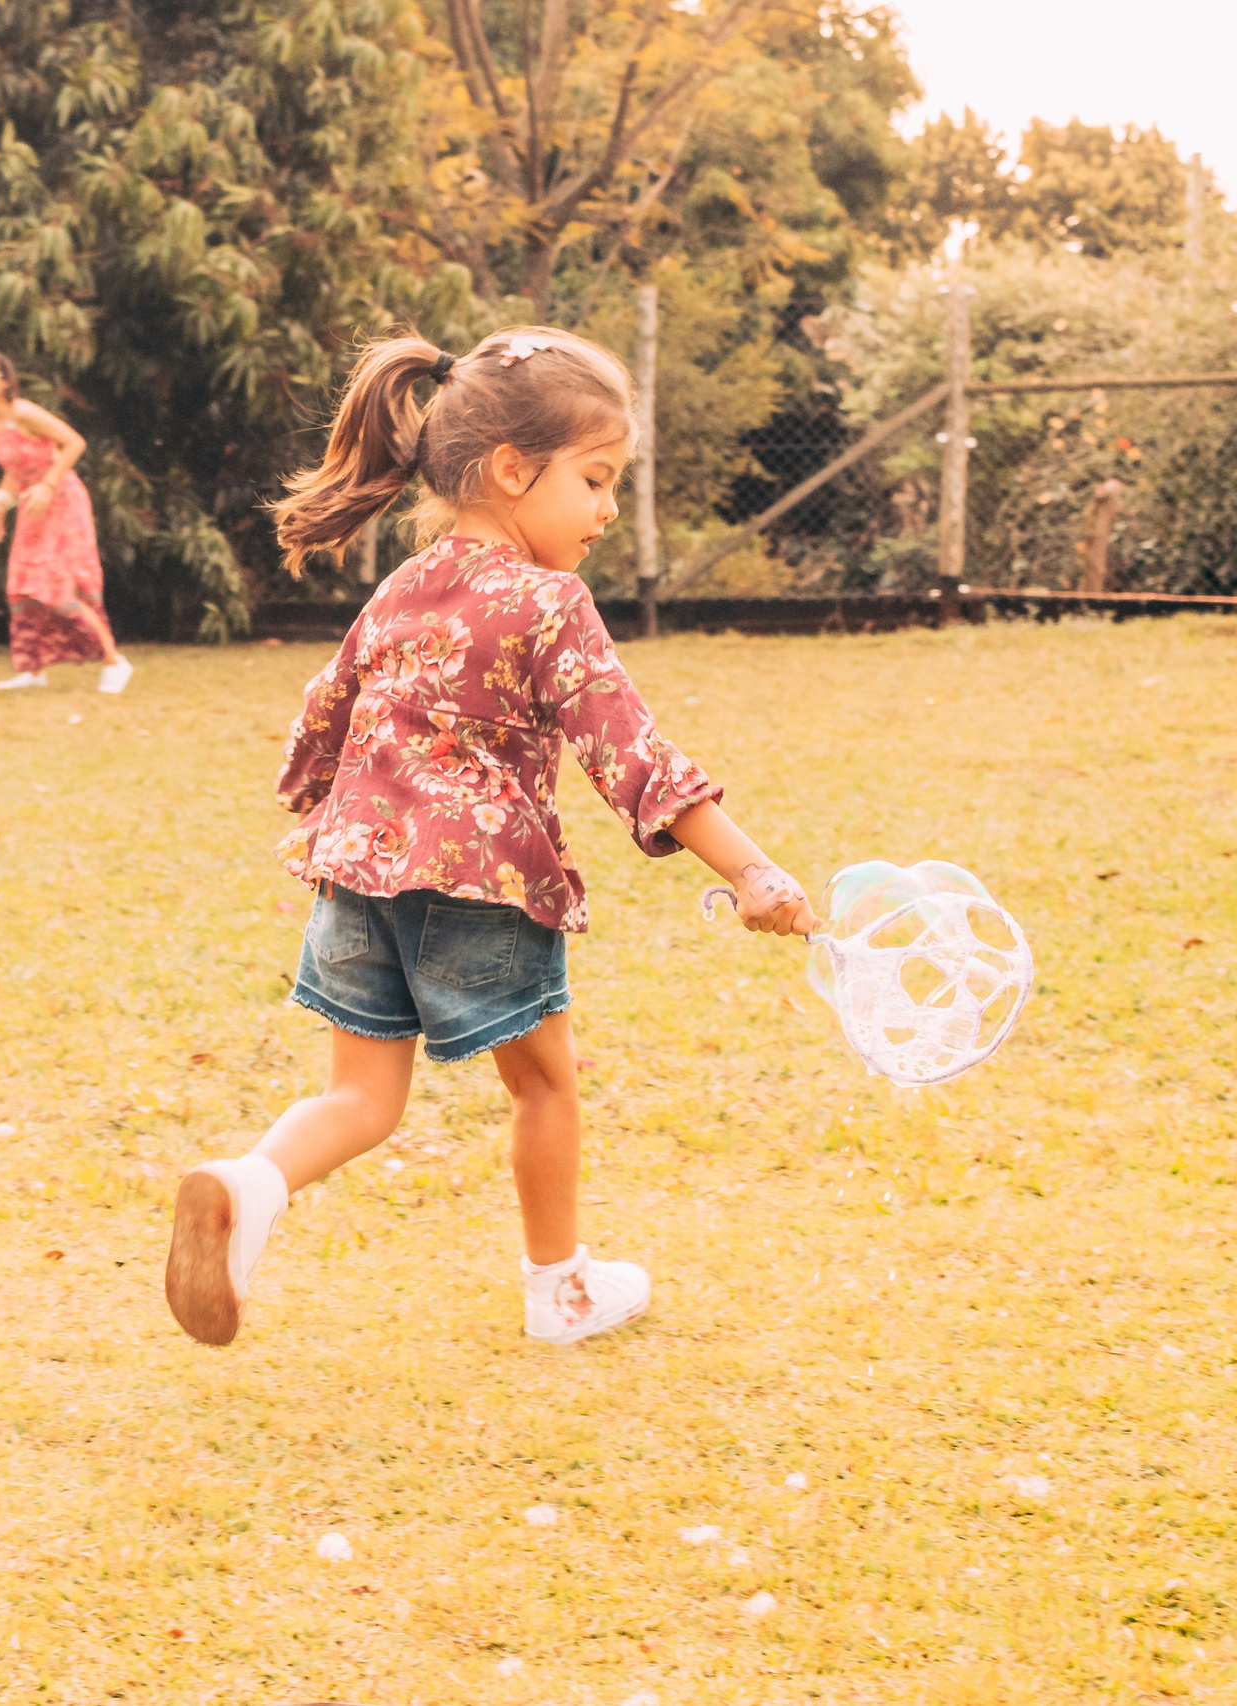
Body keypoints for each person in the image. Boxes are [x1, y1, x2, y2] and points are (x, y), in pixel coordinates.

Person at [162, 327, 819, 1350]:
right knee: (545, 1081)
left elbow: (322, 710)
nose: (606, 509)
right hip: (478, 881)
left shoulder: (401, 587)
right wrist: (752, 869)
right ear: (513, 470)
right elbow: (630, 750)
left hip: (355, 872)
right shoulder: (550, 602)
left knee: (359, 1092)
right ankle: (559, 1290)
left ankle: (249, 1186)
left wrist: (317, 799)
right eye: (594, 479)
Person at [0, 351, 133, 693]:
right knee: (22, 586)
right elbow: (14, 471)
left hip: (61, 500)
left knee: (55, 585)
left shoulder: (23, 411)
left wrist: (48, 483)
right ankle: (33, 668)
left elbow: (74, 442)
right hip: (32, 505)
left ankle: (115, 662)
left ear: (5, 381)